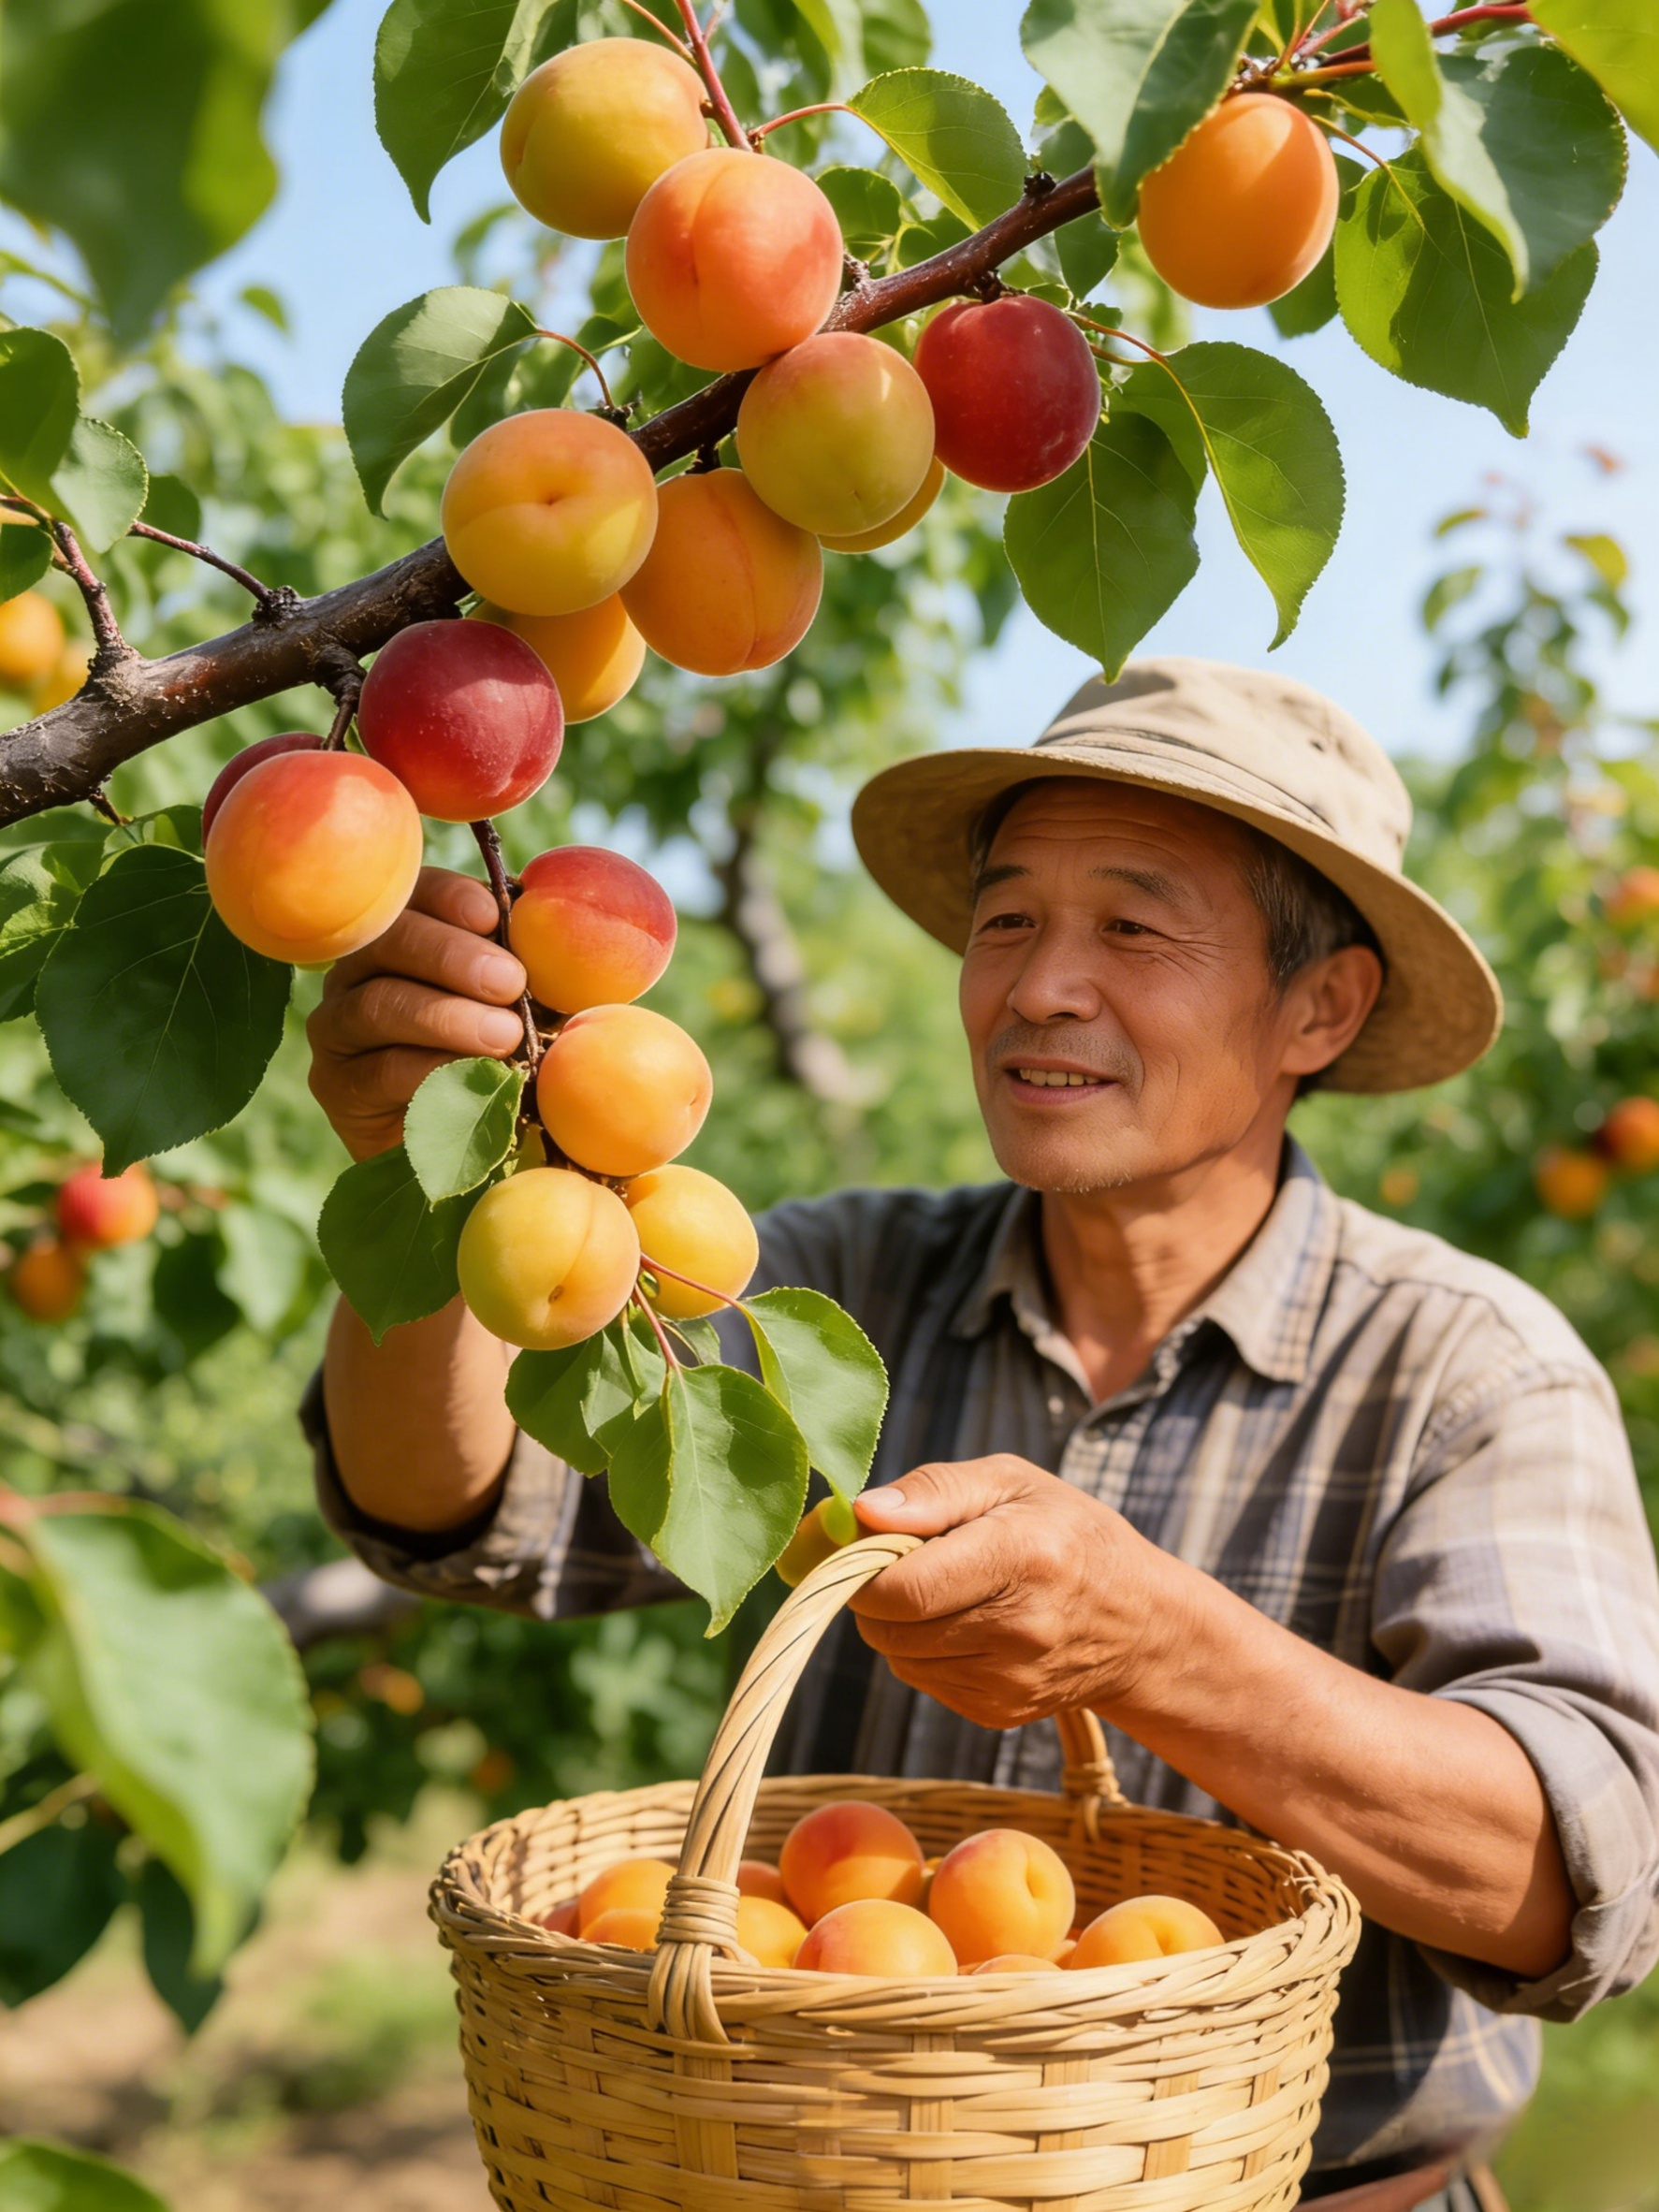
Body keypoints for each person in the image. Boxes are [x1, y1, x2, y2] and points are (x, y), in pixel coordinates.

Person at [304, 658, 1659, 2206]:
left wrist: (1150, 1644)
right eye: (1007, 919)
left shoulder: (1466, 1369)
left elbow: (1573, 1878)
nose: (1038, 985)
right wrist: (425, 1182)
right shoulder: (837, 1284)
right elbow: (457, 1513)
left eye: (1134, 926)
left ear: (1322, 1005)